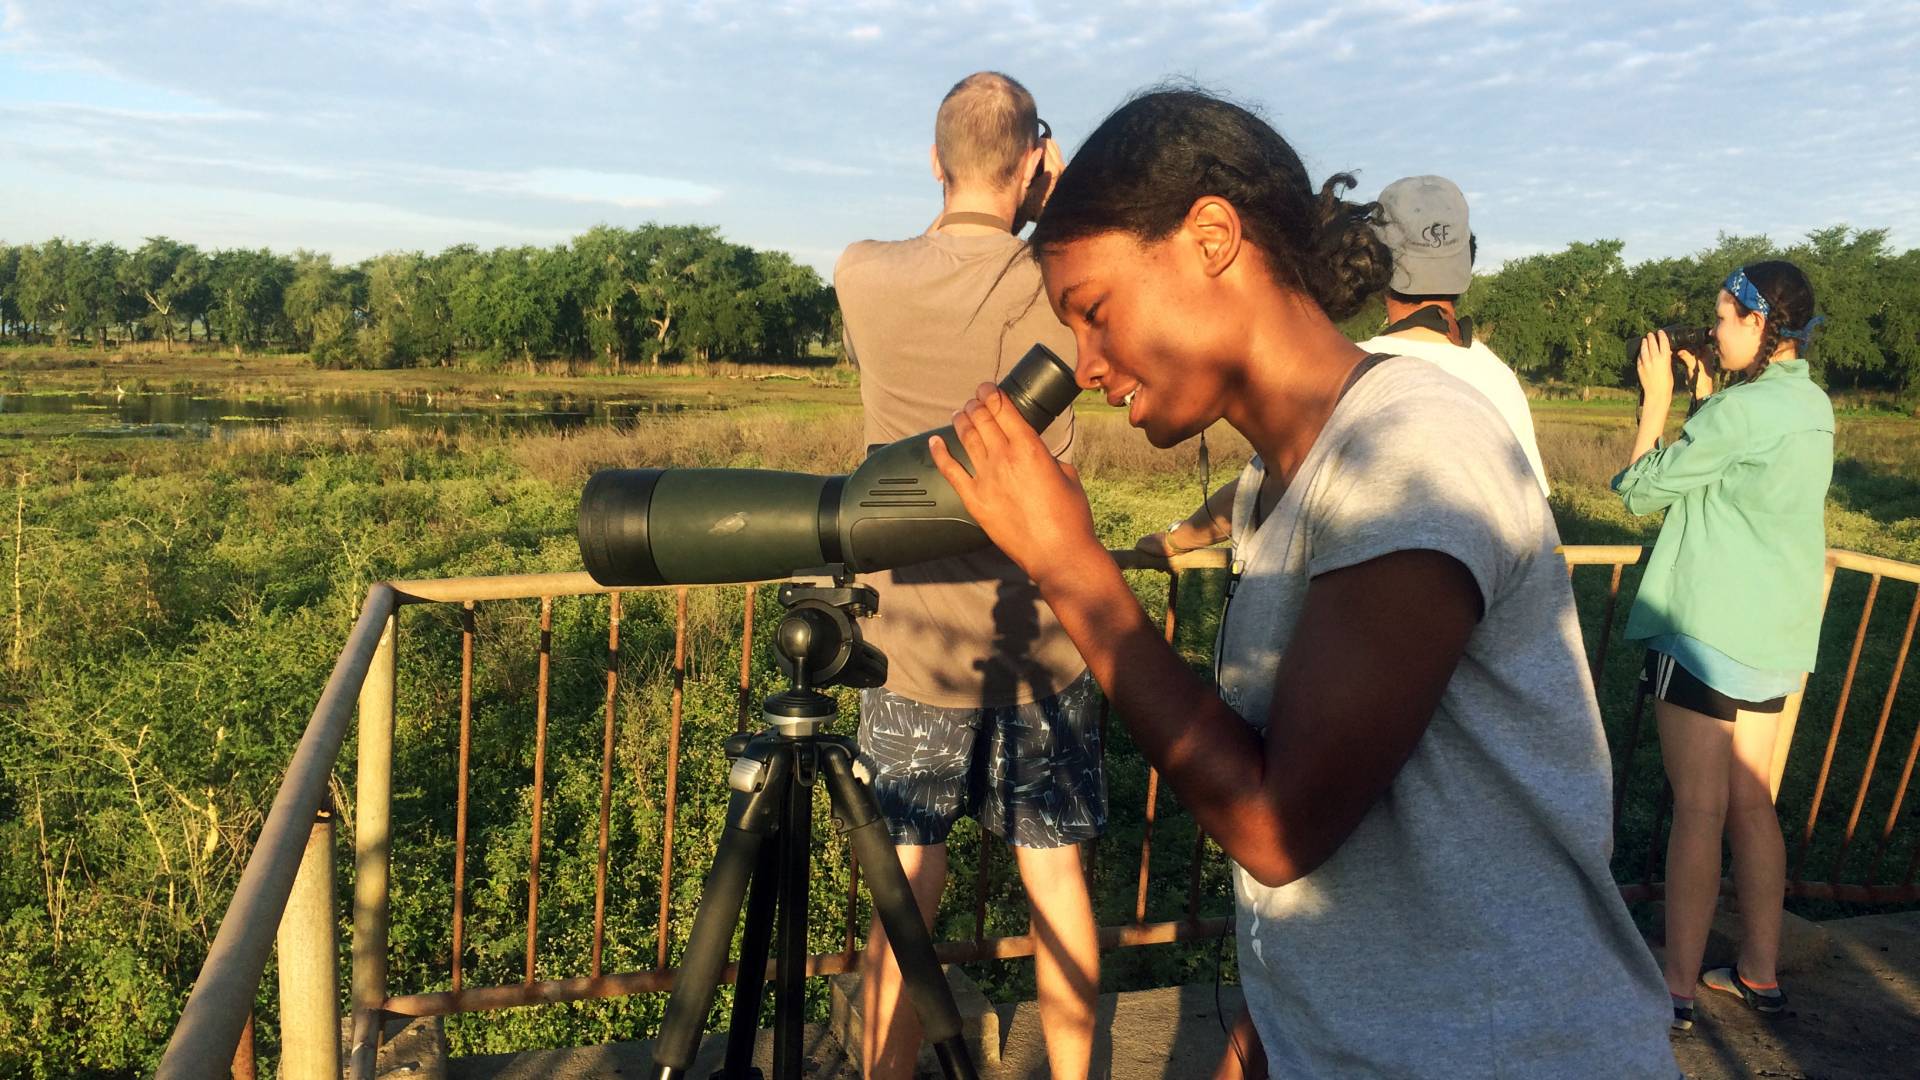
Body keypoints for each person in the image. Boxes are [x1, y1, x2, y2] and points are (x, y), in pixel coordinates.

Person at [924, 88, 1675, 1077]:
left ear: (1211, 237)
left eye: (1096, 313)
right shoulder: (1275, 485)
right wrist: (1268, 1036)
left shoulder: (1415, 448)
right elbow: (1347, 856)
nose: (1090, 365)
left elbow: (1279, 830)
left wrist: (1071, 566)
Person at [832, 71, 1103, 1080]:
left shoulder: (862, 272)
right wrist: (1058, 200)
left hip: (912, 644)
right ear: (1035, 159)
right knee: (1057, 878)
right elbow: (1073, 267)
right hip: (1042, 642)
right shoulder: (1052, 284)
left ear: (933, 161)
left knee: (904, 888)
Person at [1613, 261, 1833, 1031]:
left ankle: (1674, 986)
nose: (1713, 330)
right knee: (1751, 806)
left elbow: (1640, 492)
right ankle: (1758, 973)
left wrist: (1658, 404)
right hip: (1773, 636)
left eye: (1721, 317)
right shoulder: (1810, 407)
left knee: (1699, 809)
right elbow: (1737, 481)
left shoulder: (1736, 415)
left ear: (1758, 323)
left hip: (1706, 631)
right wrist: (1710, 400)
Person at [1137, 174, 1547, 560]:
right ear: (1465, 262)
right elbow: (1534, 514)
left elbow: (1259, 489)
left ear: (1376, 258)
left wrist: (1176, 538)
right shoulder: (1499, 376)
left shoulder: (1354, 371)